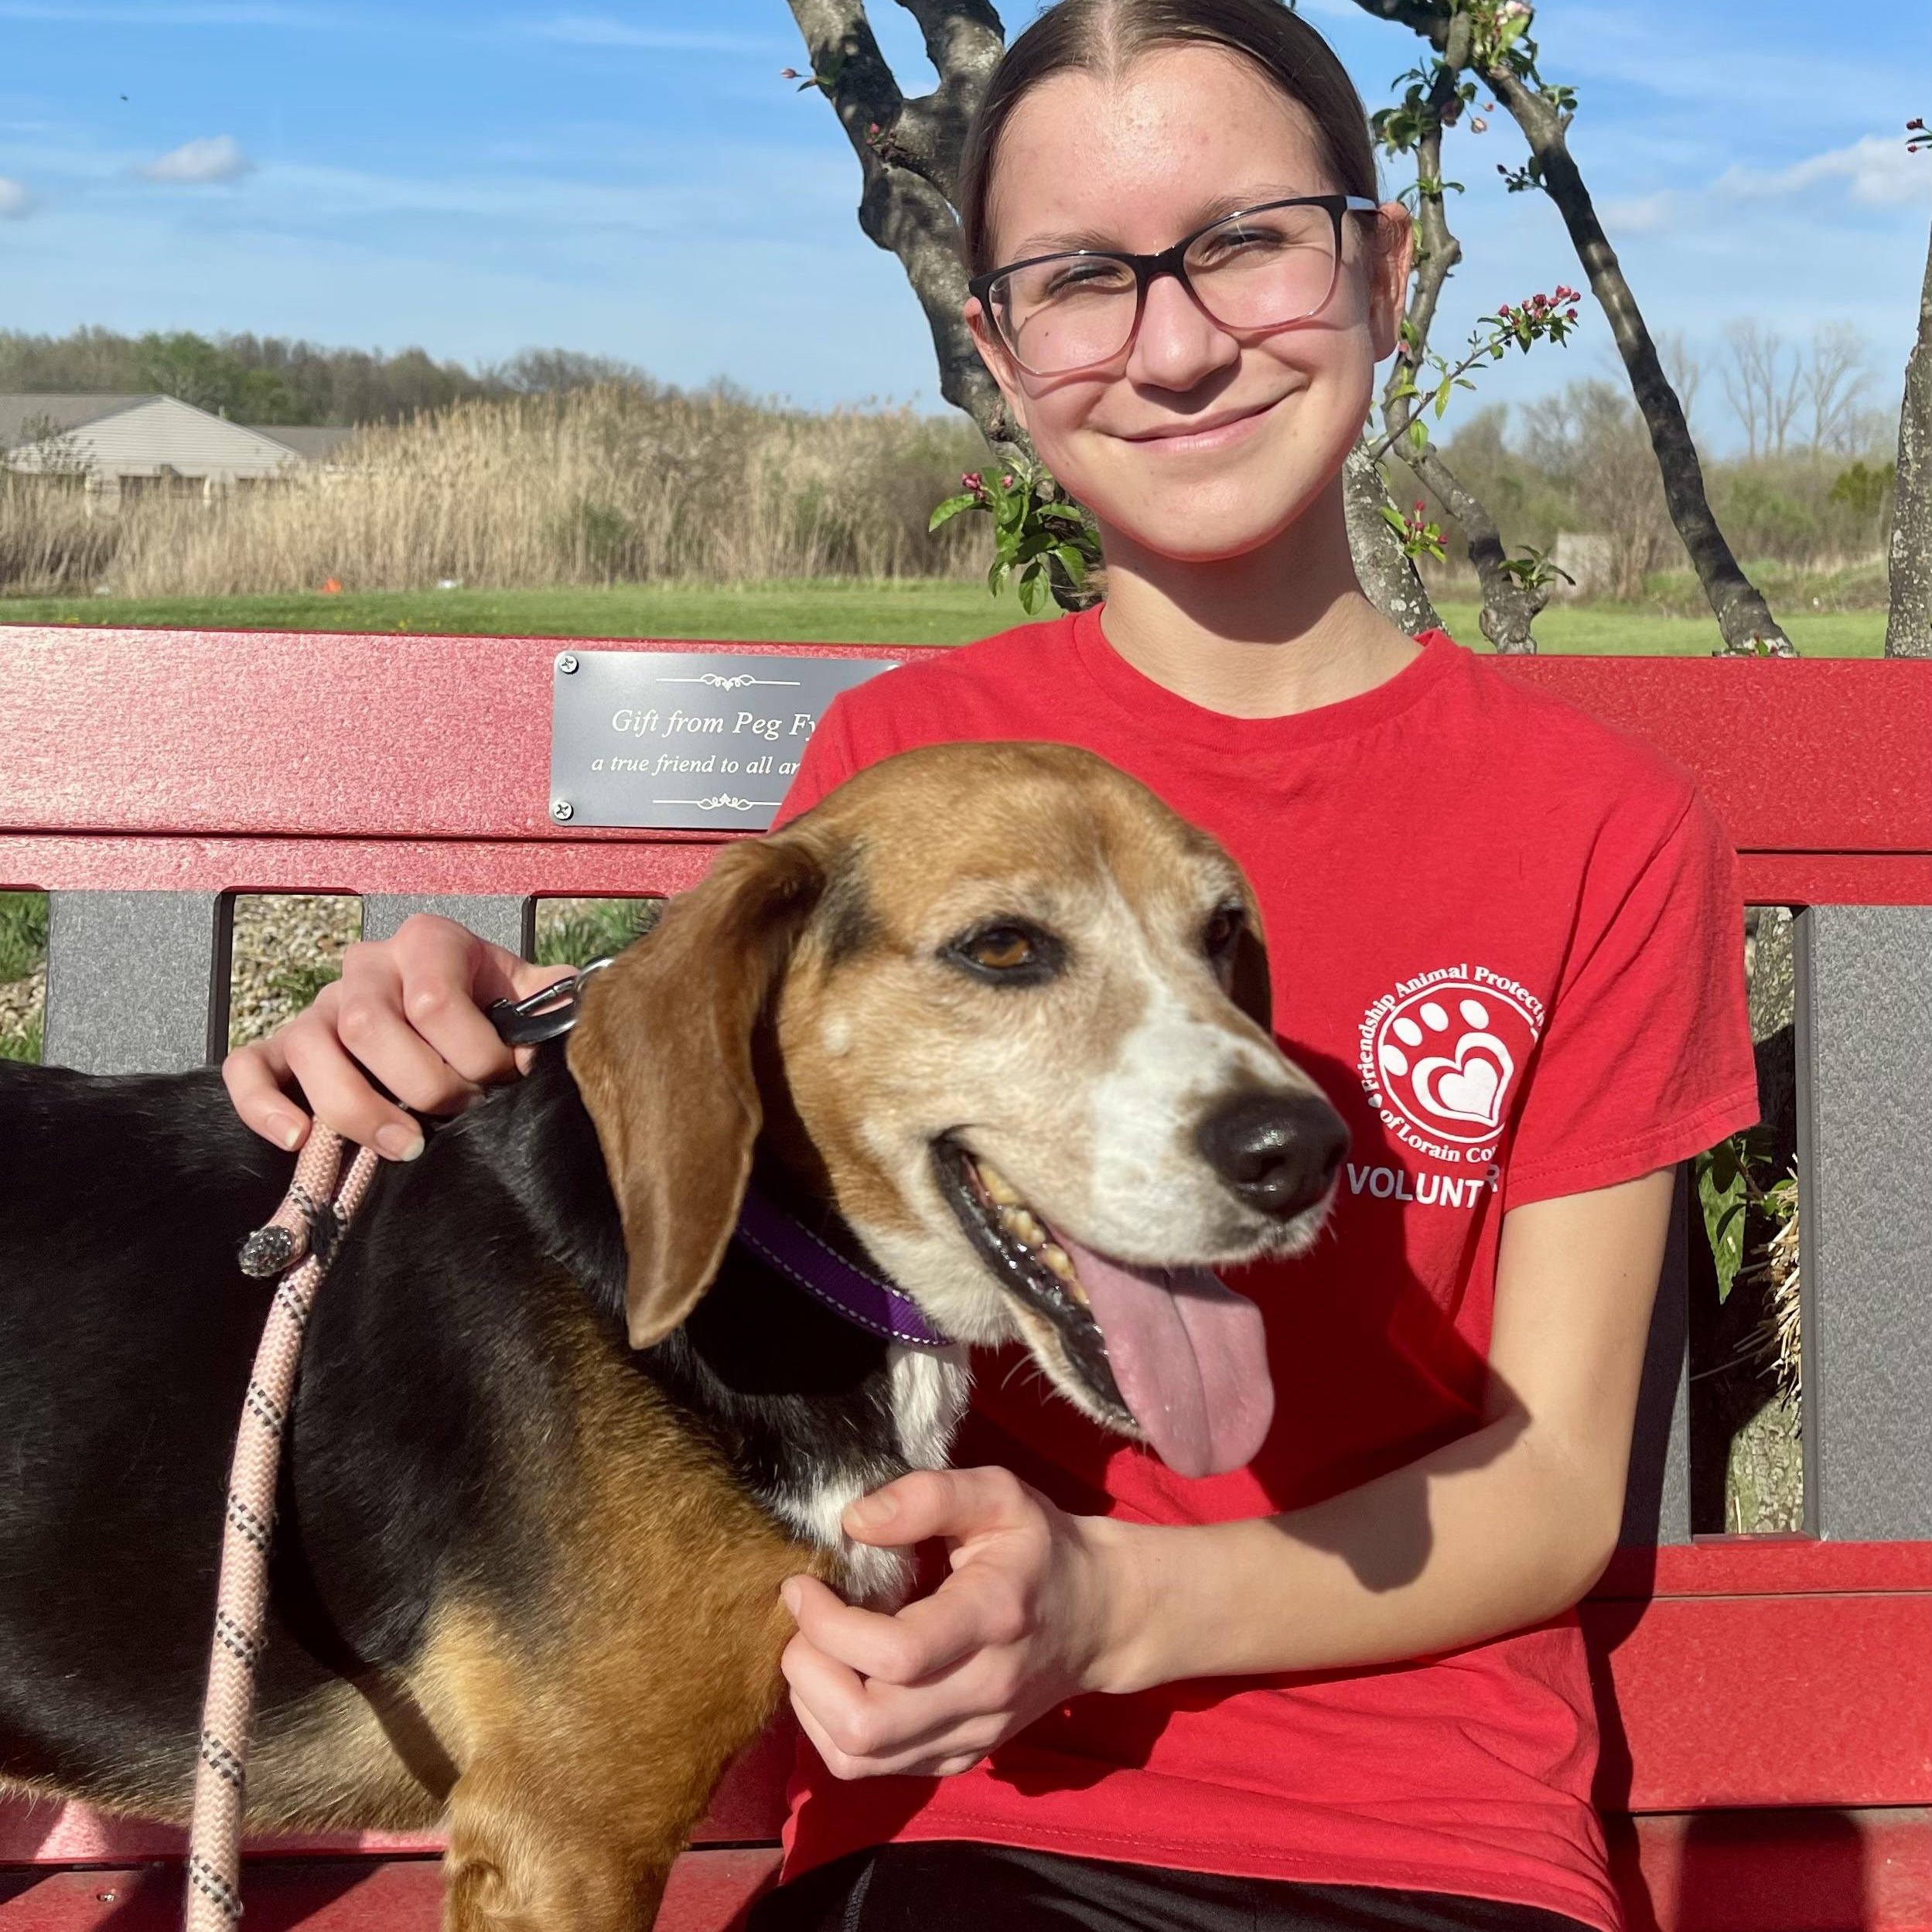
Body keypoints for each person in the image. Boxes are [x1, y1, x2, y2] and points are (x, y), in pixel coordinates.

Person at [223, 4, 1760, 1928]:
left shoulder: (1599, 824)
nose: (1180, 339)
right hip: (968, 1816)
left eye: (1248, 240)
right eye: (1082, 280)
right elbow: (704, 1109)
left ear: (1385, 263)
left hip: (1426, 1828)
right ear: (996, 347)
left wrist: (1115, 1601)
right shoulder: (902, 765)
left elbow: (1545, 1490)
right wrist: (447, 1022)